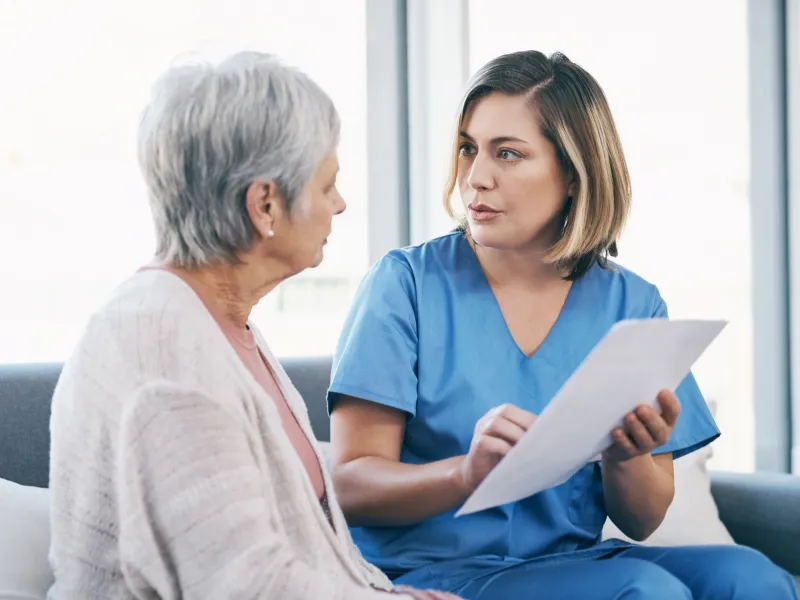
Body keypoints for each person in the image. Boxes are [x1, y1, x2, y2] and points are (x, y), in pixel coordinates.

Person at [327, 50, 799, 599]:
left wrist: (626, 454)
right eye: (468, 149)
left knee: (753, 577)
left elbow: (642, 519)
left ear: (574, 174)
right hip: (431, 570)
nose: (476, 178)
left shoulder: (632, 303)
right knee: (645, 591)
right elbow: (352, 484)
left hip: (575, 563)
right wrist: (465, 475)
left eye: (507, 154)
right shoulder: (404, 283)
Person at [46, 51, 459, 600]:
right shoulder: (162, 347)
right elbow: (247, 585)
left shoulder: (218, 324)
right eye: (326, 184)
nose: (339, 204)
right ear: (265, 204)